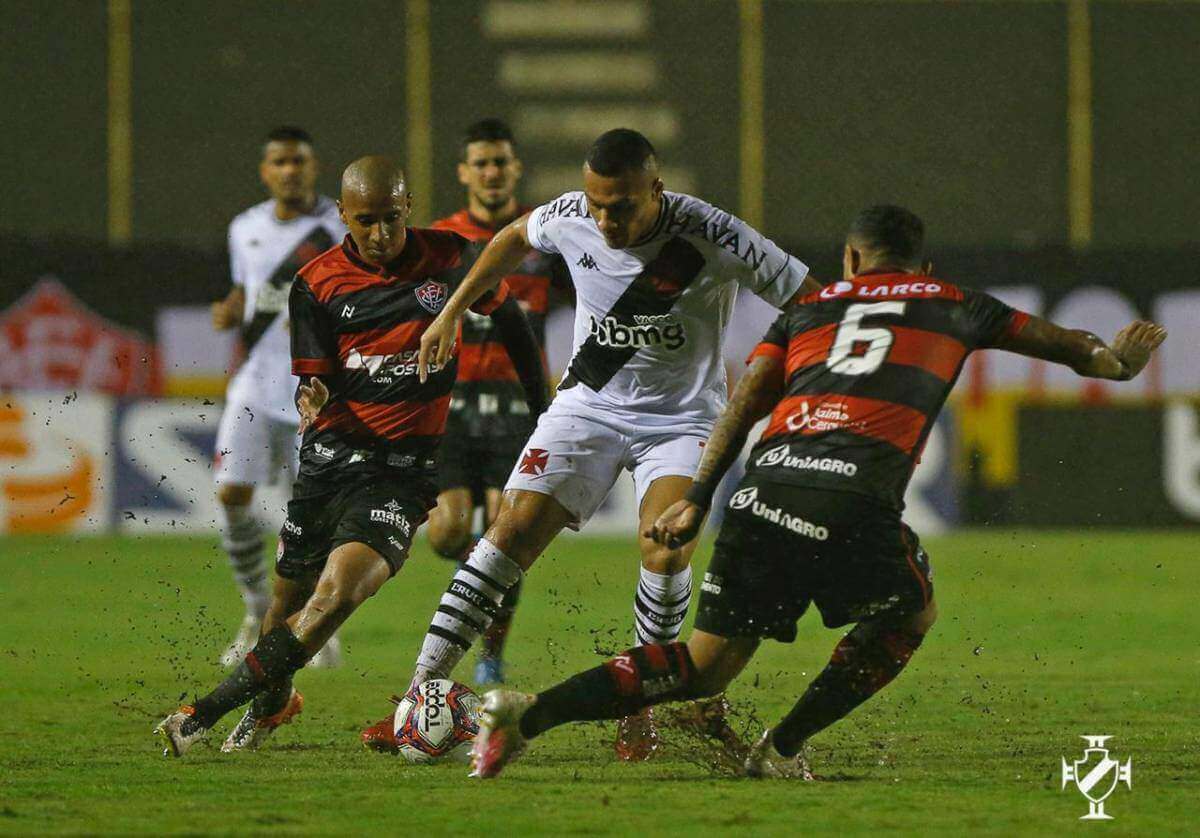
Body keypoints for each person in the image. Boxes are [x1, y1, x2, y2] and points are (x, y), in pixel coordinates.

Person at [464, 204, 1168, 779]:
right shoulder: (955, 302)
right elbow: (1066, 344)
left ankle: (526, 715)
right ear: (921, 268)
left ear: (852, 259)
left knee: (702, 668)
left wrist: (701, 495)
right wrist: (1114, 361)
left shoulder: (811, 307)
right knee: (910, 613)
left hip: (764, 491)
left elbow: (744, 399)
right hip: (853, 497)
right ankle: (783, 747)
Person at [408, 128, 820, 760]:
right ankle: (419, 693)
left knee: (664, 546)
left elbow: (812, 299)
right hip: (587, 405)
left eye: (621, 207)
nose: (603, 220)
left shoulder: (716, 234)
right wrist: (451, 312)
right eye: (596, 203)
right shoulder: (569, 214)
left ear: (655, 189)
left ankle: (638, 703)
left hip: (681, 422)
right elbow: (513, 238)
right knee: (512, 528)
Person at [155, 156, 547, 757]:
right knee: (283, 609)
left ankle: (202, 712)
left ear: (408, 205)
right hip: (330, 462)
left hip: (403, 473)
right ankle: (272, 705)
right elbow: (314, 378)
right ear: (344, 215)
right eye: (366, 221)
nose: (381, 234)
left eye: (391, 218)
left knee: (337, 595)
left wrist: (541, 404)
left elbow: (513, 315)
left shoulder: (450, 258)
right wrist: (309, 394)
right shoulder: (315, 283)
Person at [427, 118, 570, 686]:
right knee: (447, 531)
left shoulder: (543, 238)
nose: (491, 172)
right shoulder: (442, 240)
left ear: (515, 169)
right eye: (481, 162)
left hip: (516, 404)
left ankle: (490, 653)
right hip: (454, 404)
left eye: (500, 162)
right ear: (464, 172)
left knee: (505, 527)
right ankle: (473, 578)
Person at [209, 127, 347, 668]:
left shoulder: (340, 226)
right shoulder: (245, 227)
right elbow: (248, 291)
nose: (290, 170)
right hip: (255, 378)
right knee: (230, 494)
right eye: (280, 162)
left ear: (314, 168)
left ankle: (315, 621)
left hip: (313, 385)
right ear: (266, 171)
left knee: (310, 512)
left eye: (299, 161)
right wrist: (229, 307)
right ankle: (255, 607)